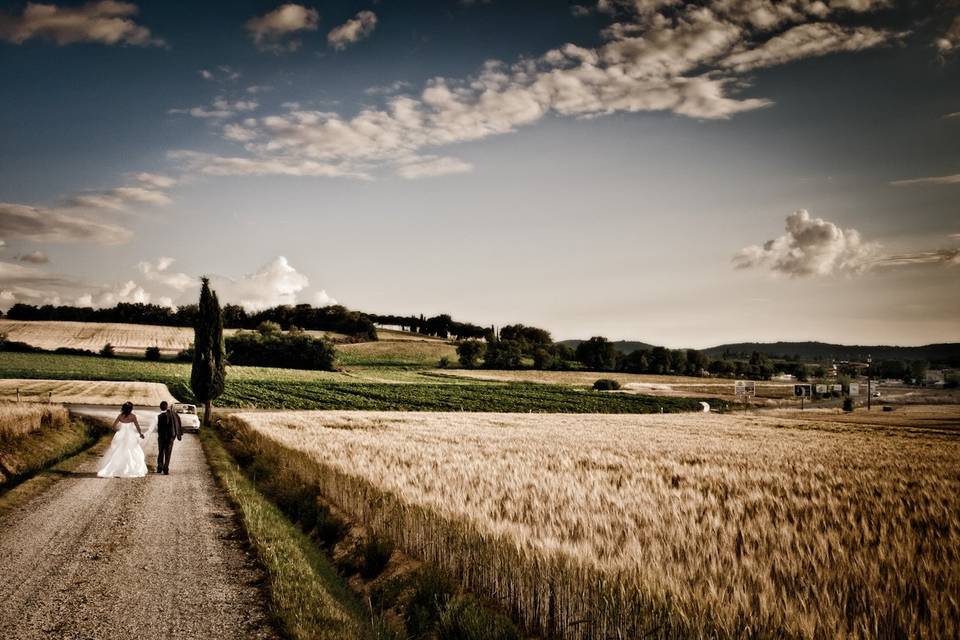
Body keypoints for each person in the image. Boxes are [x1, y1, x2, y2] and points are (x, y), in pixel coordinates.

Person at [97, 401, 147, 478]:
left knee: (119, 451)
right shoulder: (133, 416)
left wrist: (118, 431)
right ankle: (130, 468)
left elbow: (113, 426)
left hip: (121, 435)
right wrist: (140, 434)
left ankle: (117, 468)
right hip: (130, 436)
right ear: (131, 409)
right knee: (132, 451)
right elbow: (137, 427)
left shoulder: (120, 416)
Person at [156, 400, 183, 475]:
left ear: (161, 408)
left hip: (162, 437)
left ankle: (160, 467)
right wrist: (179, 433)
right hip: (171, 436)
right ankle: (166, 468)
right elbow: (179, 423)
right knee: (168, 453)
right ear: (167, 406)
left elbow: (159, 428)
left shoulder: (160, 416)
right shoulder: (175, 414)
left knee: (161, 452)